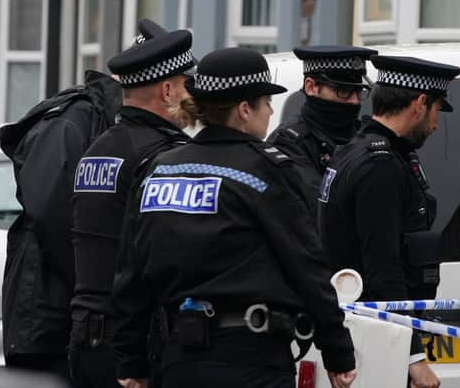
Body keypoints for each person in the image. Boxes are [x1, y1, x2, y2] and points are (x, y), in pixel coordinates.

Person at [112, 47, 357, 388]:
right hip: (251, 360)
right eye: (266, 102)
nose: (271, 111)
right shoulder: (265, 171)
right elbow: (306, 266)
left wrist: (131, 360)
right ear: (244, 109)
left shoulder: (159, 170)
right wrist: (337, 350)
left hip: (177, 361)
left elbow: (131, 273)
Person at [319, 55, 460, 388]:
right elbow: (383, 268)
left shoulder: (358, 150)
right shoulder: (380, 166)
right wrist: (412, 358)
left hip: (364, 332)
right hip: (376, 341)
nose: (436, 124)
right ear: (420, 103)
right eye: (437, 110)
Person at [68, 28, 194, 388]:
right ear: (168, 91)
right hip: (136, 343)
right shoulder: (164, 157)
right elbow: (162, 260)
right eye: (186, 86)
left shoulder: (97, 149)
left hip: (88, 336)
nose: (191, 97)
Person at [0, 67, 122, 382]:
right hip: (46, 311)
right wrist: (90, 284)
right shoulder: (72, 119)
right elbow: (51, 213)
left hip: (62, 309)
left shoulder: (101, 119)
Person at [267, 46, 376, 214]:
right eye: (344, 91)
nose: (355, 101)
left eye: (358, 92)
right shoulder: (289, 143)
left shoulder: (366, 135)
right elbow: (322, 207)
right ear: (311, 87)